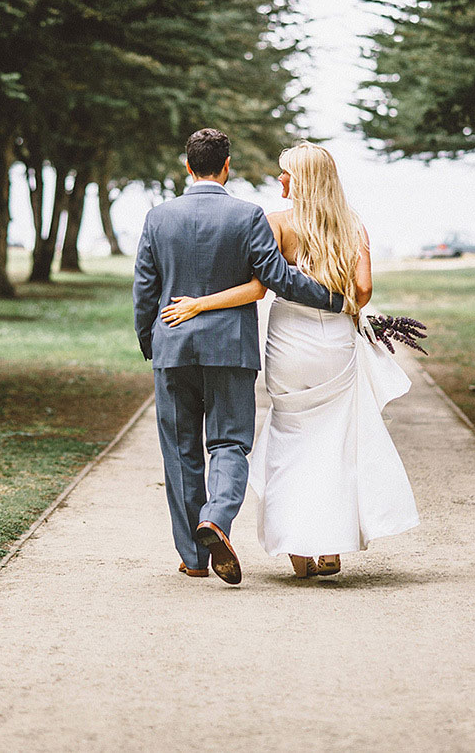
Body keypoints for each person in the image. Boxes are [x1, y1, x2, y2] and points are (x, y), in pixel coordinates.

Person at [162, 141, 419, 578]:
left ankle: (299, 552)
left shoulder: (276, 224)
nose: (279, 179)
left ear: (300, 180)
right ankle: (332, 546)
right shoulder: (353, 226)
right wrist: (337, 303)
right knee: (335, 443)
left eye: (285, 173)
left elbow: (260, 288)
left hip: (290, 343)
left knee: (291, 438)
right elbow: (361, 293)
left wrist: (198, 304)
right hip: (334, 344)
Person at [132, 129, 344, 585]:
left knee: (180, 451)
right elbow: (279, 278)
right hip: (231, 349)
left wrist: (152, 345)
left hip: (172, 348)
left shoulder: (158, 218)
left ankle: (193, 558)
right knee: (229, 444)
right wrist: (334, 299)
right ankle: (217, 519)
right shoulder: (247, 216)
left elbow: (145, 291)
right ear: (226, 166)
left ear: (187, 167)